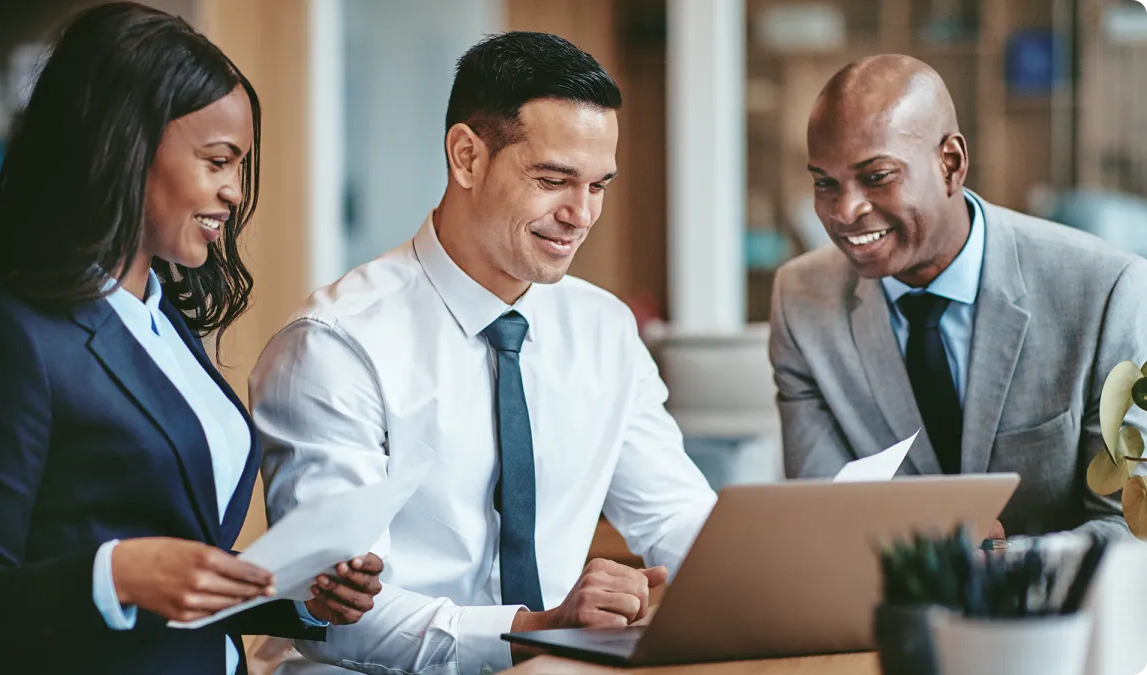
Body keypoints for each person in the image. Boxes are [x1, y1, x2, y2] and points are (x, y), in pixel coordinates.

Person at [249, 31, 717, 674]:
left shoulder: (604, 328)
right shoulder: (335, 345)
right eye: (554, 180)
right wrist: (534, 630)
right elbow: (343, 621)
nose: (581, 214)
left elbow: (673, 515)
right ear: (467, 157)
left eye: (598, 186)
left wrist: (775, 587)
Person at [0, 4, 382, 673]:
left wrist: (295, 591)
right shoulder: (6, 335)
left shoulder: (163, 321)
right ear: (122, 147)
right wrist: (115, 572)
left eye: (241, 166)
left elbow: (180, 565)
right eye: (217, 160)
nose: (235, 192)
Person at [770, 54, 1147, 541]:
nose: (845, 211)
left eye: (877, 176)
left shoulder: (1106, 291)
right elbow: (822, 515)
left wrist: (999, 563)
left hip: (1055, 611)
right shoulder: (800, 300)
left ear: (951, 164)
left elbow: (1128, 527)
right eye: (825, 183)